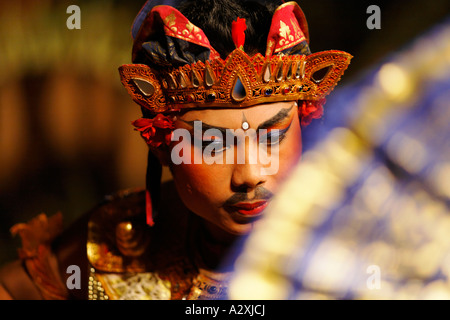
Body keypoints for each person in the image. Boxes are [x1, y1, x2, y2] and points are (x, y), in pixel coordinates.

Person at [0, 0, 351, 300]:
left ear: (305, 123)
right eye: (213, 144)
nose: (251, 174)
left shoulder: (358, 238)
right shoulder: (114, 248)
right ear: (163, 145)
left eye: (273, 137)